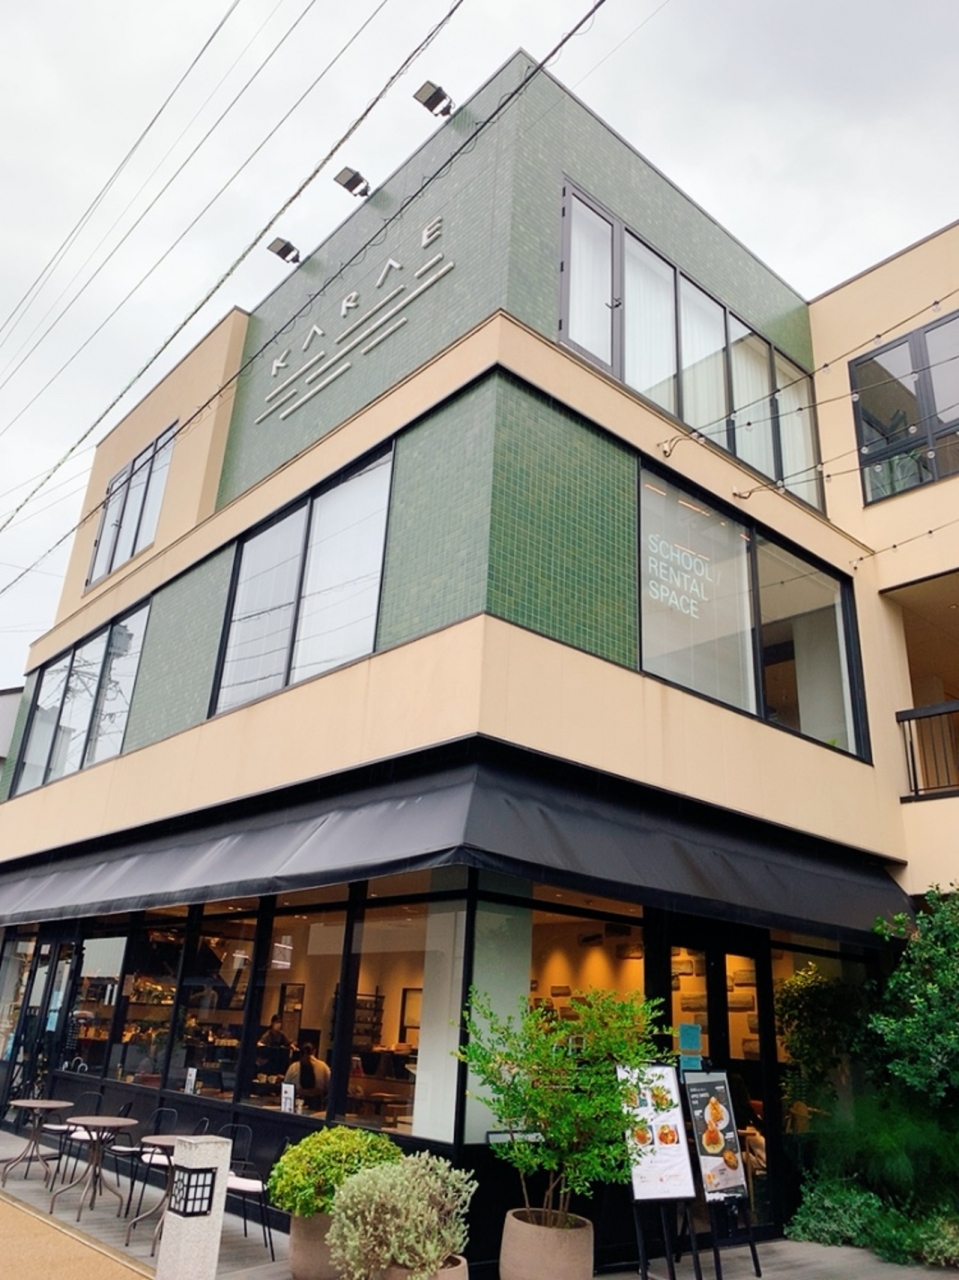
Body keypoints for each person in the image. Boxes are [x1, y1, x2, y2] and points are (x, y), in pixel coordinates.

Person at [284, 1042, 331, 1110]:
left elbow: (286, 1087)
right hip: (317, 1106)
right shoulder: (323, 1066)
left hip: (297, 1104)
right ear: (314, 1051)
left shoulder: (293, 1067)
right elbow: (330, 1087)